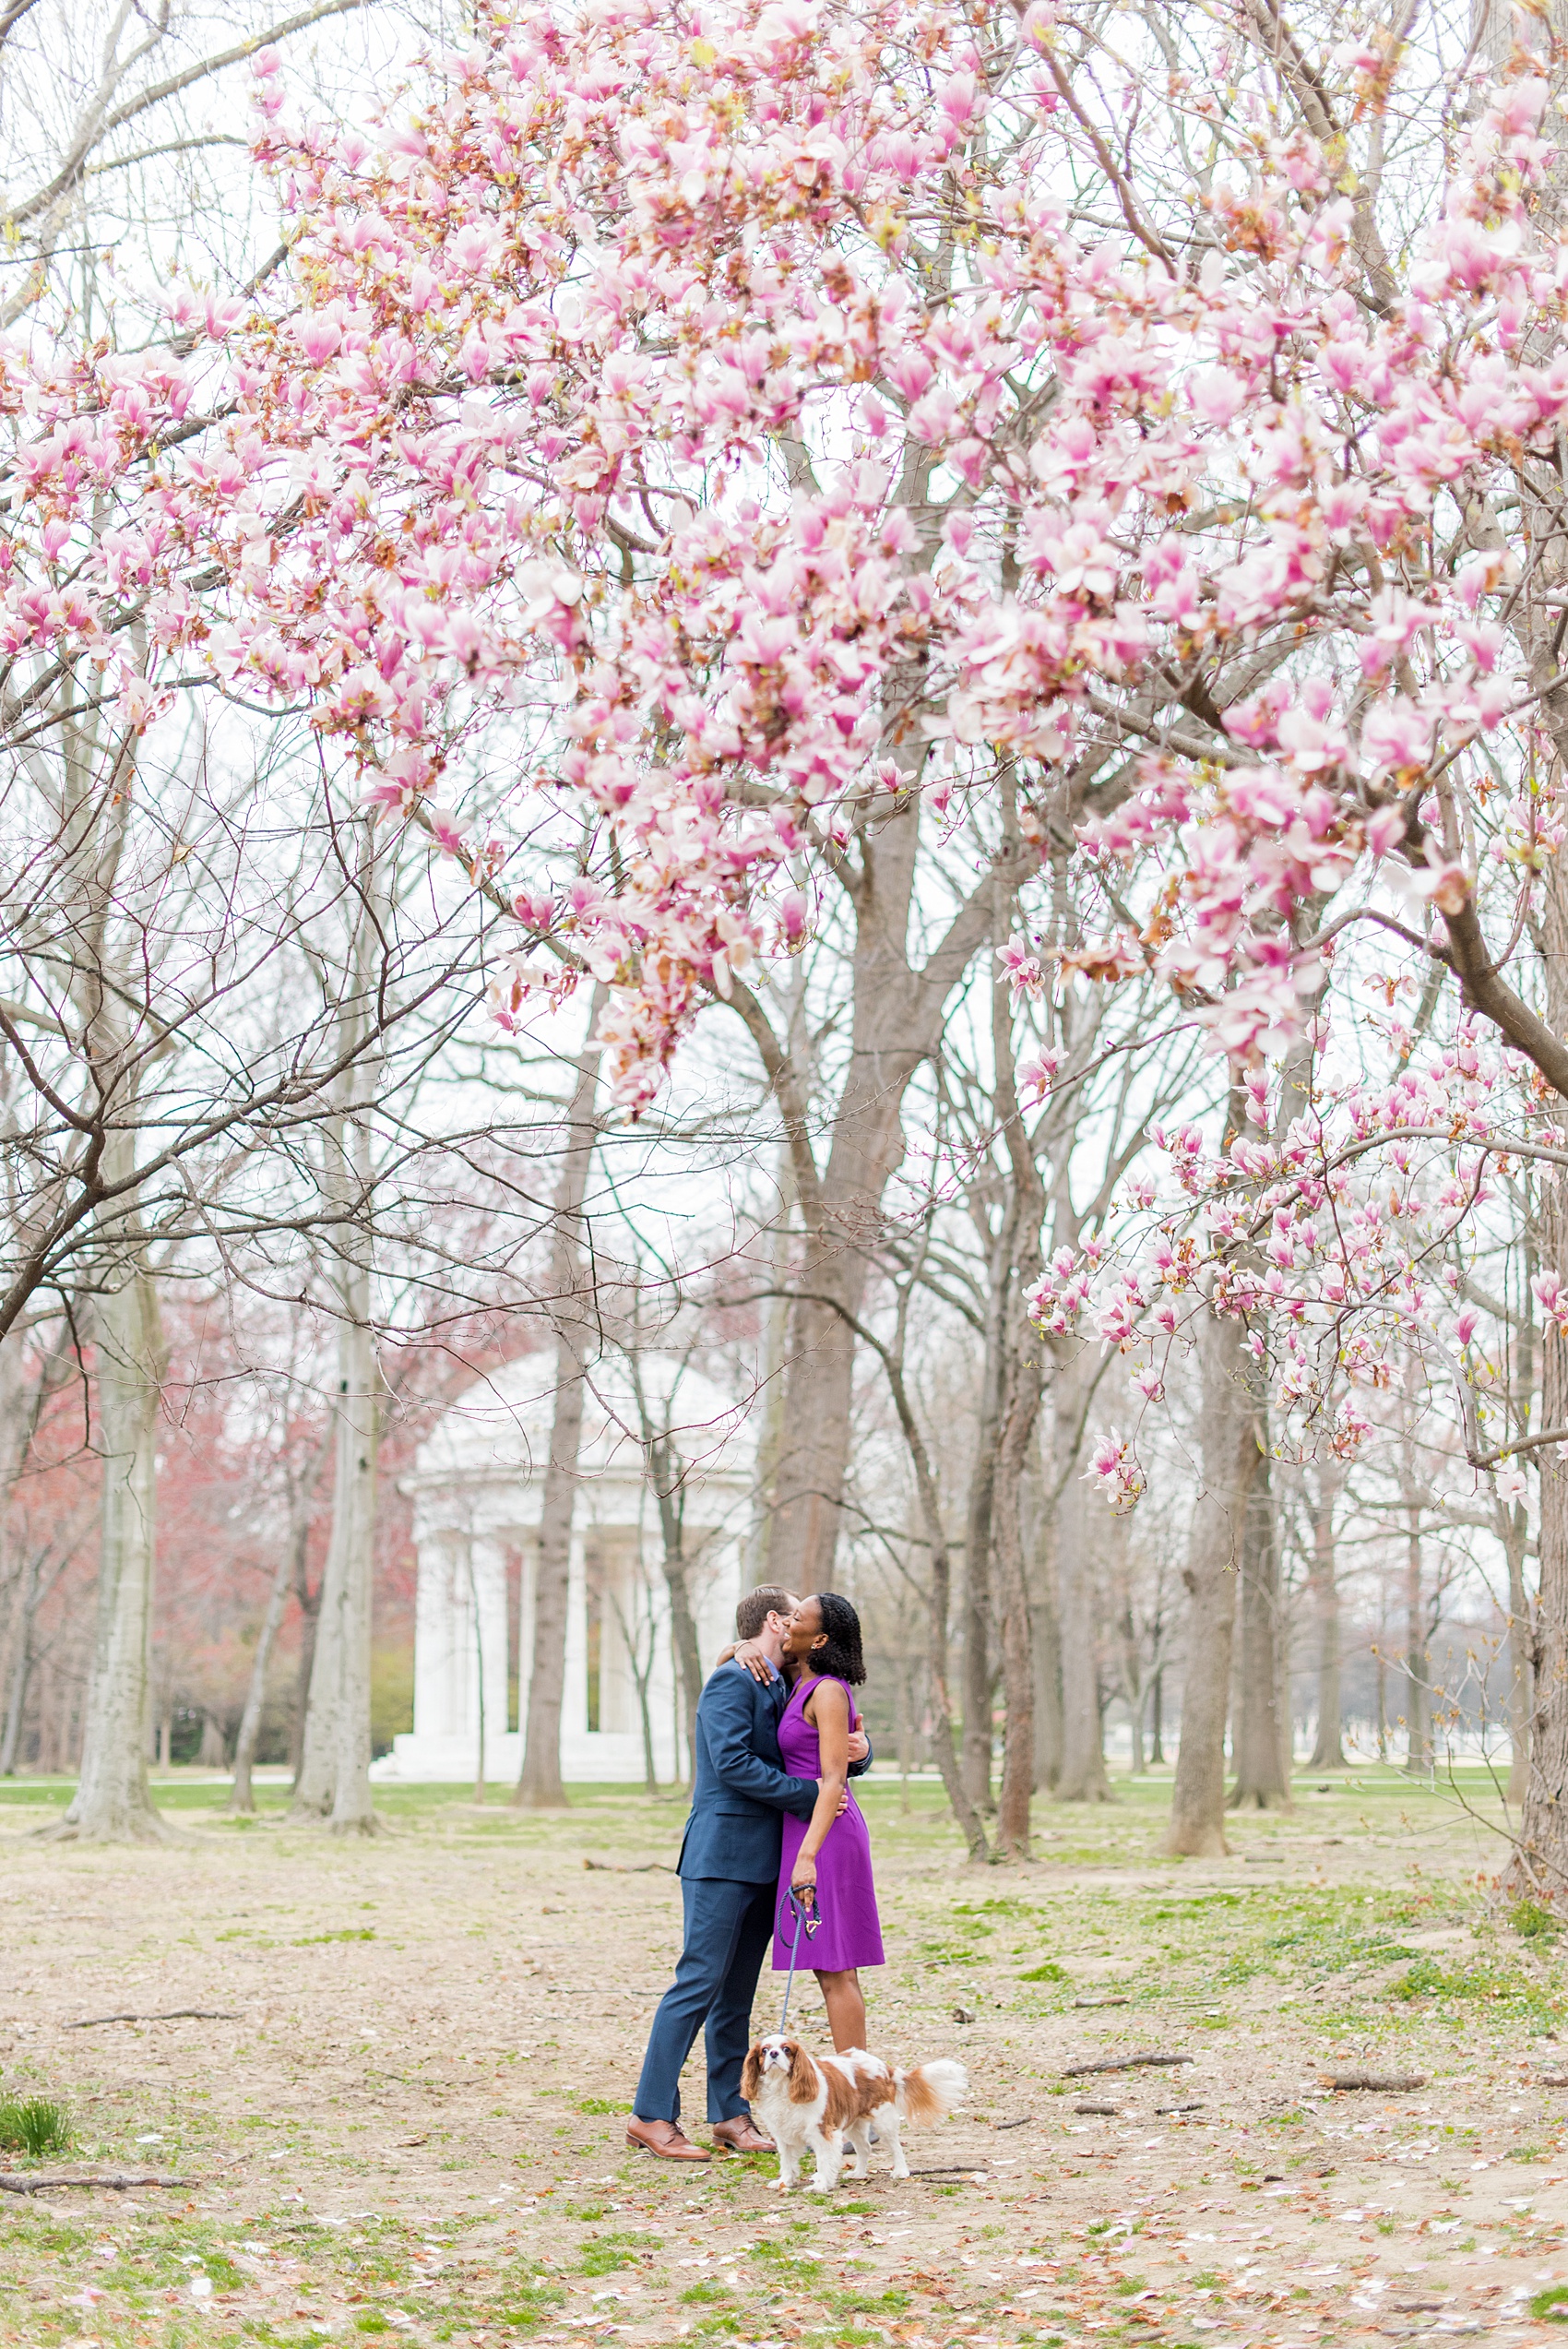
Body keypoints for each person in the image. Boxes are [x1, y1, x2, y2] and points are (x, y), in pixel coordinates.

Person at [627, 1584, 871, 2163]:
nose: (796, 1628)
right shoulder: (732, 1680)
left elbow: (824, 1744)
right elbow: (732, 1763)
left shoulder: (788, 1681)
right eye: (791, 1616)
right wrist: (811, 1795)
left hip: (772, 1861)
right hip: (720, 1856)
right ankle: (651, 2113)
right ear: (774, 1620)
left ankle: (730, 2115)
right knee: (697, 1984)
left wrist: (859, 1756)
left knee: (736, 1994)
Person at [773, 1592, 884, 2054]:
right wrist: (735, 1650)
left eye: (796, 1618)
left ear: (818, 1638)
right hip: (805, 1827)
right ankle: (857, 2096)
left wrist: (807, 1858)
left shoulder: (829, 1692)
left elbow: (834, 1777)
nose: (786, 1623)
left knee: (837, 1969)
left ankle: (859, 2098)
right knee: (826, 1969)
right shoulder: (796, 1679)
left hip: (828, 1835)